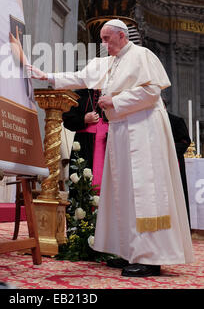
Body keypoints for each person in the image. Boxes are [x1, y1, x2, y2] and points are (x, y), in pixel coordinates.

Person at [26, 19, 194, 277]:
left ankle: (150, 257)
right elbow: (80, 77)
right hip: (122, 132)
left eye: (107, 39)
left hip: (144, 131)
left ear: (121, 36)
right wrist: (46, 76)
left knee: (143, 193)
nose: (103, 44)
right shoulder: (109, 62)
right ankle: (130, 252)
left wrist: (114, 100)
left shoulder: (142, 55)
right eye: (102, 39)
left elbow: (151, 92)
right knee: (123, 191)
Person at [62, 89, 108, 192]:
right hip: (85, 143)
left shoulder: (114, 92)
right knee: (82, 182)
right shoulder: (79, 94)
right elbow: (67, 120)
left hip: (109, 142)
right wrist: (84, 119)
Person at [167, 109, 191, 227]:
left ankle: (182, 225)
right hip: (158, 164)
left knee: (178, 193)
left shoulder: (176, 120)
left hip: (175, 161)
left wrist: (168, 149)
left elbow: (185, 141)